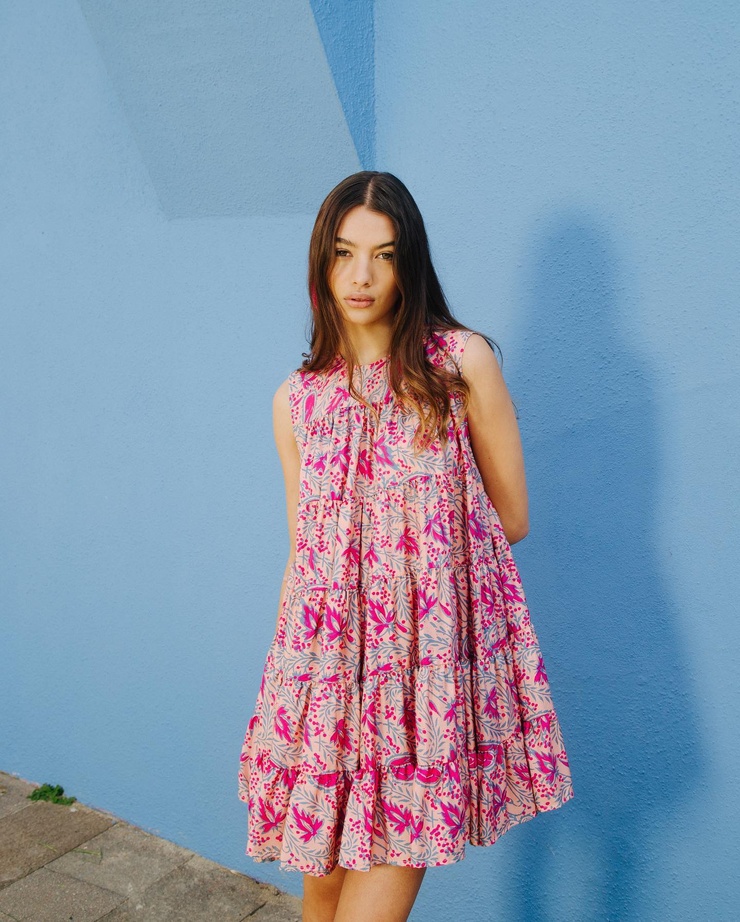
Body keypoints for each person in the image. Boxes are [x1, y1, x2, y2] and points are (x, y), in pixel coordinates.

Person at [238, 171, 574, 922]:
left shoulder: (458, 364)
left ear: (408, 263)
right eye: (344, 253)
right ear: (321, 262)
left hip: (423, 678)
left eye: (384, 255)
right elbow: (306, 553)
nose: (361, 275)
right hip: (326, 675)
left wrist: (416, 574)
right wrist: (291, 690)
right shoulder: (297, 401)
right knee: (321, 897)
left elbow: (511, 517)